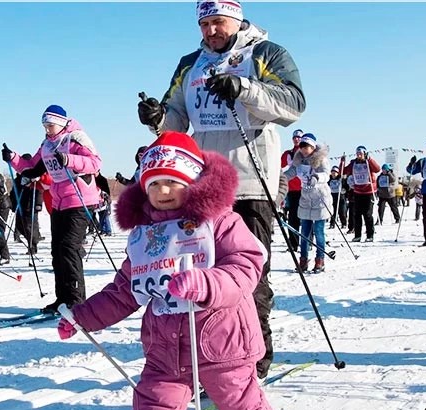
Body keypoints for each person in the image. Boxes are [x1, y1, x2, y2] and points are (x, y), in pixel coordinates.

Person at [60, 132, 283, 410]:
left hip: (222, 343)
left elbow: (247, 265)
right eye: (153, 184)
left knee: (241, 405)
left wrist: (206, 282)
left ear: (192, 180)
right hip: (165, 349)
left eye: (171, 182)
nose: (162, 192)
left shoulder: (221, 221)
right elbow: (124, 291)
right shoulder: (146, 237)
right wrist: (81, 317)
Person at [136, 0, 305, 379]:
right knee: (203, 274)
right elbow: (176, 117)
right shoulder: (189, 63)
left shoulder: (266, 52)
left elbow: (293, 104)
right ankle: (211, 356)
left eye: (218, 23)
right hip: (204, 185)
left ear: (236, 19)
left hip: (249, 179)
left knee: (248, 275)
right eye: (205, 23)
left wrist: (243, 88)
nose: (211, 31)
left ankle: (254, 359)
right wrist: (157, 118)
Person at [3, 104, 102, 312]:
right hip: (59, 202)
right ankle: (62, 299)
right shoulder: (47, 145)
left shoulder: (76, 138)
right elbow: (32, 169)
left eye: (50, 125)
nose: (47, 130)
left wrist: (69, 159)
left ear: (60, 123)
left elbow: (95, 163)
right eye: (44, 126)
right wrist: (13, 158)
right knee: (57, 251)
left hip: (79, 200)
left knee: (68, 248)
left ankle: (76, 299)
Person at [282, 133, 331, 273]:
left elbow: (326, 174)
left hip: (320, 198)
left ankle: (320, 260)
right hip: (305, 198)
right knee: (304, 232)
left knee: (319, 231)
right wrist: (278, 179)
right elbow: (290, 173)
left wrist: (317, 177)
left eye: (307, 147)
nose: (304, 149)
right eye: (302, 146)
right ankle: (303, 260)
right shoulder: (298, 161)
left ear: (313, 147)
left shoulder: (321, 159)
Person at [342, 146, 380, 242]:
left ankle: (370, 235)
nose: (359, 156)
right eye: (357, 154)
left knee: (367, 214)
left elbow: (377, 169)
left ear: (365, 154)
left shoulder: (368, 162)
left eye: (361, 154)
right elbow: (343, 171)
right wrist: (342, 162)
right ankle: (357, 235)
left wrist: (369, 159)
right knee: (357, 214)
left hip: (368, 191)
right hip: (358, 191)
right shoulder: (353, 163)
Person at [281, 129, 304, 250]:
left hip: (305, 188)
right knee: (292, 218)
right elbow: (279, 165)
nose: (297, 139)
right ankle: (293, 243)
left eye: (299, 137)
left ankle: (307, 242)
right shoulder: (288, 154)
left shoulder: (307, 153)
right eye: (295, 137)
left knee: (305, 217)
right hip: (291, 190)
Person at [328, 164, 346, 229]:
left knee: (342, 212)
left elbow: (345, 186)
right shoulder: (329, 179)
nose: (333, 174)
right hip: (332, 196)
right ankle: (332, 223)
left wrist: (344, 190)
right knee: (333, 212)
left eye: (335, 173)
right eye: (332, 172)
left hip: (340, 197)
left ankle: (343, 223)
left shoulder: (341, 179)